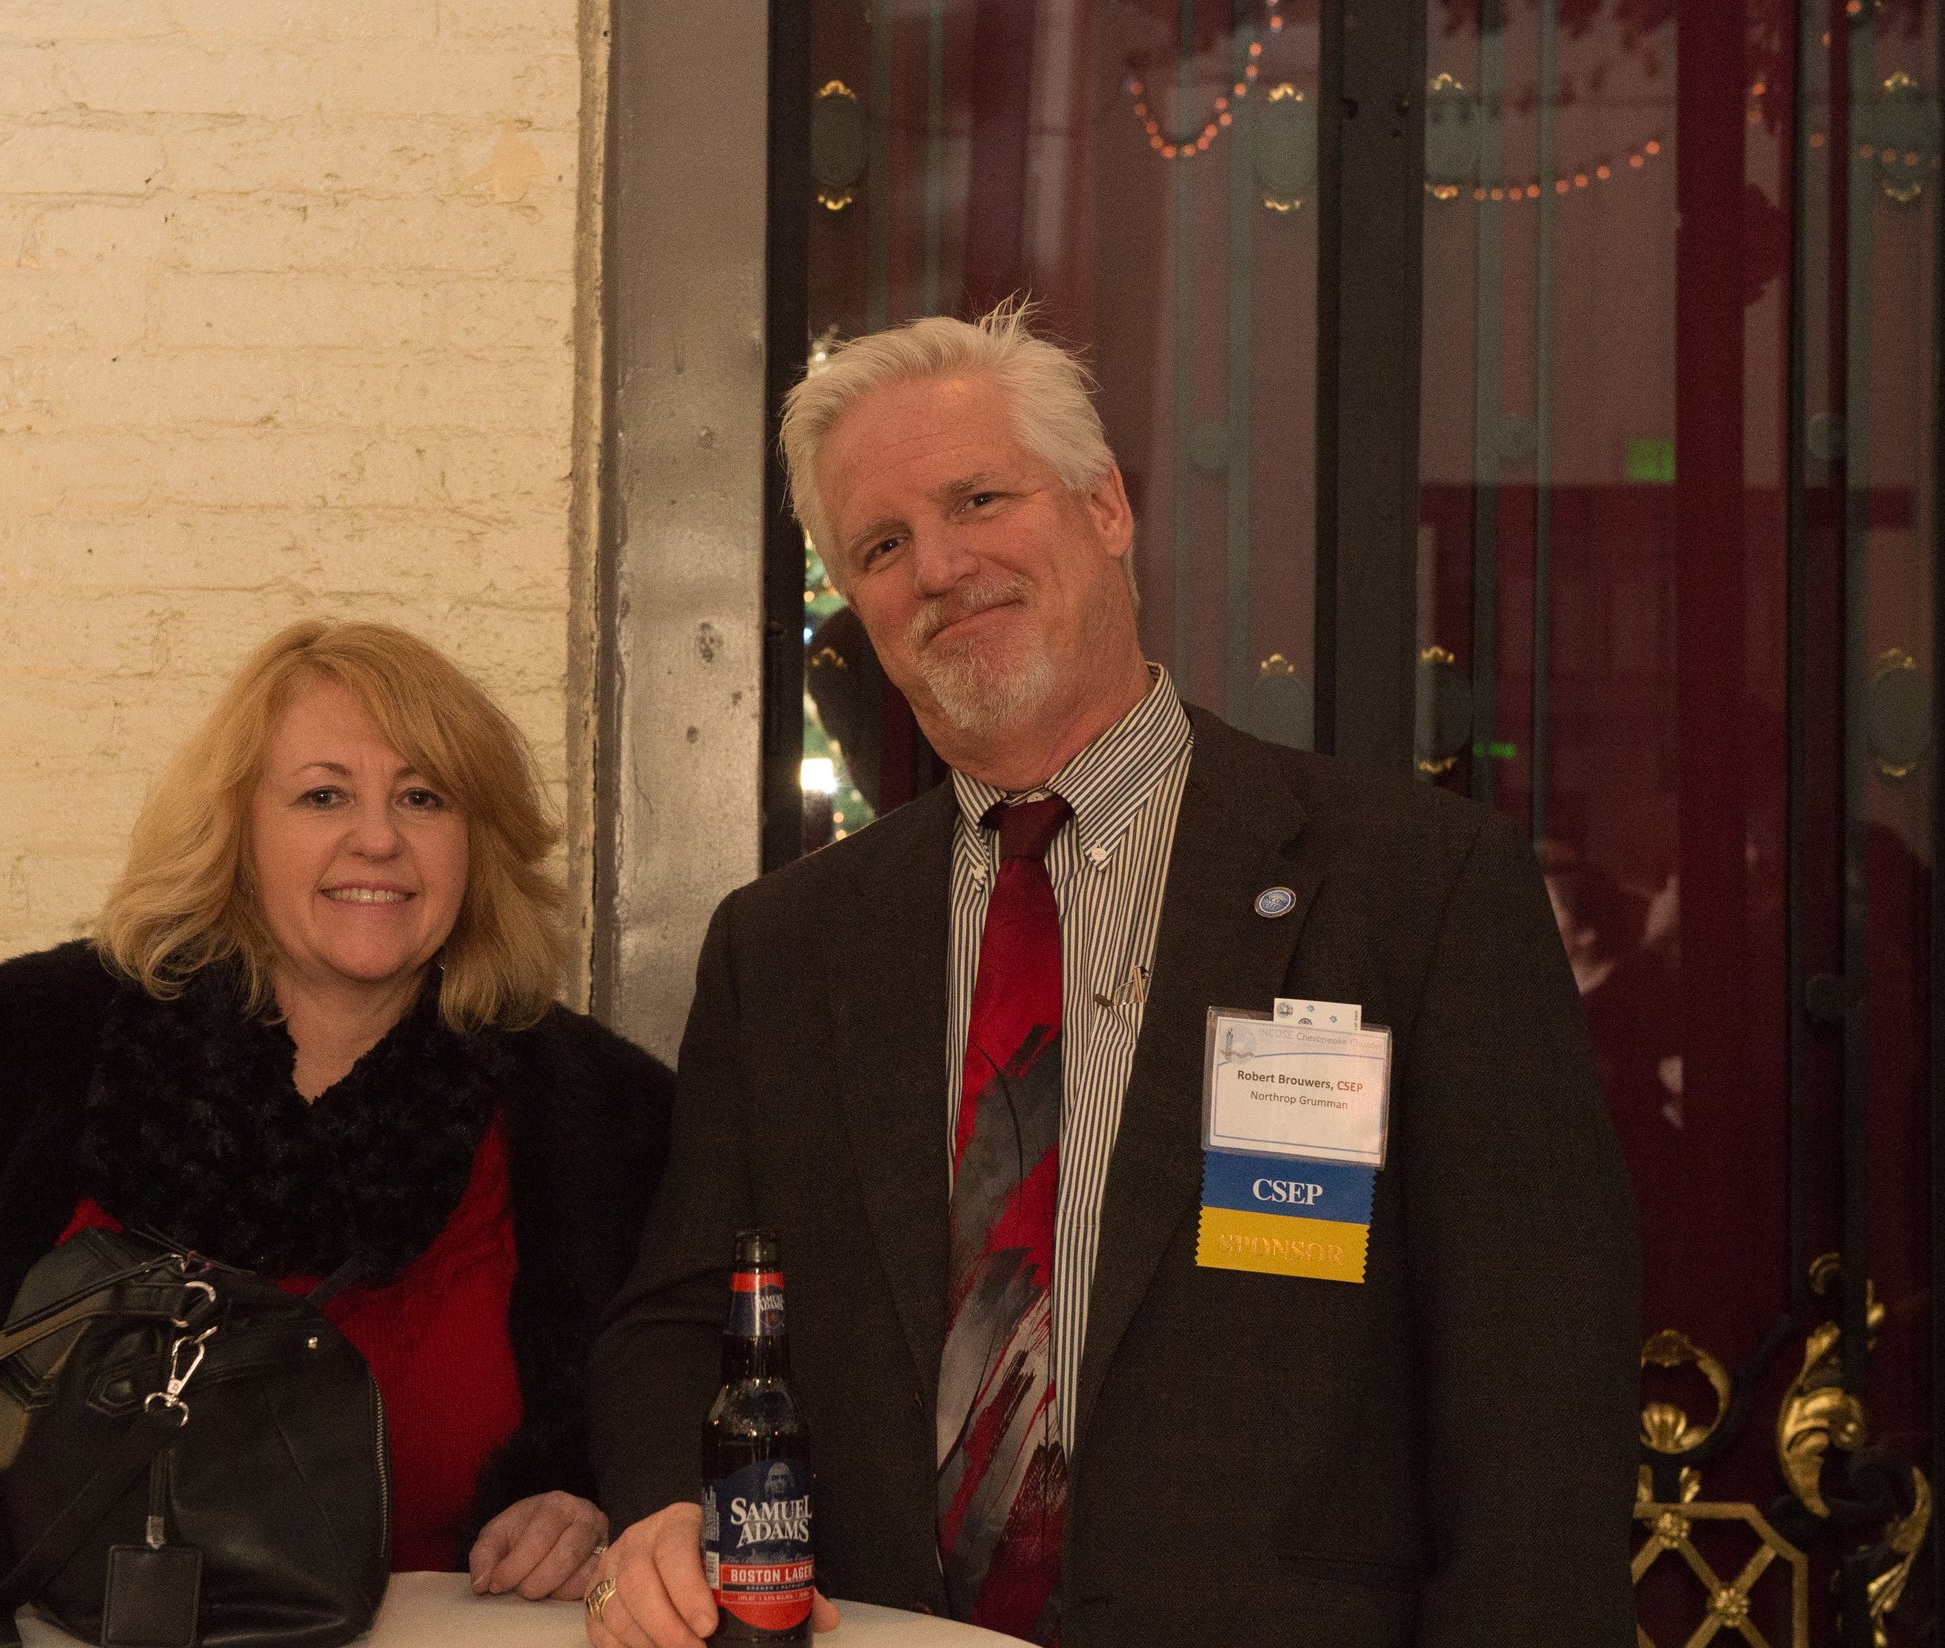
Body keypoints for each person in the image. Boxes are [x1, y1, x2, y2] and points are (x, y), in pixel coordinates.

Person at [582, 307, 1637, 1647]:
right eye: (884, 545)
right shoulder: (786, 948)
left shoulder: (1413, 890)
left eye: (979, 499)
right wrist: (670, 1504)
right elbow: (681, 1317)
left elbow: (1536, 1383)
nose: (943, 567)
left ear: (1107, 507)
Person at [0, 620, 674, 1648]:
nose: (378, 837)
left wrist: (594, 1497)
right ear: (237, 830)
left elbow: (673, 1404)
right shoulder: (29, 1075)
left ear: (478, 841)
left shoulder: (604, 1131)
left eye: (423, 796)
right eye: (323, 794)